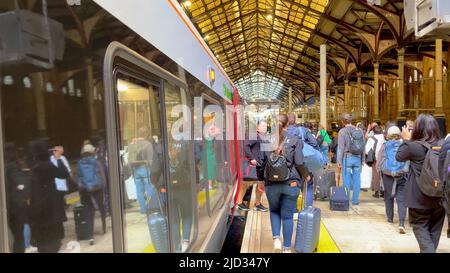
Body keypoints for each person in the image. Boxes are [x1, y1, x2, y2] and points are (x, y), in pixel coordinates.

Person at [260, 114, 311, 253]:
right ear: (287, 124)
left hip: (271, 184)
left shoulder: (267, 140)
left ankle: (276, 238)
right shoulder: (295, 140)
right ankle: (287, 248)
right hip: (291, 183)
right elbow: (300, 162)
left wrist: (261, 180)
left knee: (274, 210)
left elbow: (261, 163)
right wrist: (306, 176)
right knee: (288, 216)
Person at [396, 114, 445, 253]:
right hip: (440, 196)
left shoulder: (414, 147)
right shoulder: (442, 146)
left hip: (419, 197)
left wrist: (406, 139)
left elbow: (399, 156)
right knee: (434, 230)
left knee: (420, 227)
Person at [28, 140, 70, 253]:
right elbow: (64, 174)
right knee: (54, 243)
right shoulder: (48, 167)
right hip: (53, 211)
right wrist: (58, 158)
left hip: (40, 214)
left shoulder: (33, 168)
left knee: (43, 245)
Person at [377, 126, 407, 233]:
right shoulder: (404, 145)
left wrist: (379, 171)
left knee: (388, 196)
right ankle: (402, 223)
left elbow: (379, 159)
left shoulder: (385, 145)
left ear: (388, 135)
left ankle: (390, 218)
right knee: (401, 199)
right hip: (402, 174)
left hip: (387, 174)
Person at [76, 142, 107, 245]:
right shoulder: (96, 162)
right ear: (92, 151)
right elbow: (102, 175)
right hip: (97, 188)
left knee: (89, 213)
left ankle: (90, 237)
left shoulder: (80, 163)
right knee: (101, 208)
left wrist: (82, 188)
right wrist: (103, 186)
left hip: (85, 190)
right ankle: (104, 227)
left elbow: (79, 177)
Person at [236, 120, 269, 212]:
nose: (265, 128)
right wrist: (251, 158)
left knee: (260, 185)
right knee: (245, 184)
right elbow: (246, 146)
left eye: (266, 126)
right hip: (253, 165)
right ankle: (239, 203)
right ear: (257, 127)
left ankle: (257, 204)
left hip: (261, 165)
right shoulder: (254, 135)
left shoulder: (264, 137)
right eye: (263, 126)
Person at [5, 143, 31, 253]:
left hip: (10, 205)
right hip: (16, 205)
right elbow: (21, 185)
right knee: (19, 233)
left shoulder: (6, 166)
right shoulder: (13, 167)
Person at [337, 113, 365, 206]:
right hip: (357, 158)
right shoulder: (359, 130)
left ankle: (346, 200)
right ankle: (355, 201)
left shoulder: (342, 132)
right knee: (357, 180)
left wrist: (339, 161)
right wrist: (363, 159)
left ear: (342, 121)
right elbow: (362, 145)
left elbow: (340, 148)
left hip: (347, 157)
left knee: (346, 180)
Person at [126, 127, 155, 214]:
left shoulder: (131, 145)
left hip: (135, 169)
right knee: (149, 188)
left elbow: (129, 159)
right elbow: (151, 159)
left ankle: (143, 209)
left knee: (139, 190)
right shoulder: (148, 144)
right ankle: (150, 208)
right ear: (146, 134)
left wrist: (131, 171)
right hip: (145, 168)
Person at [365, 125, 385, 198]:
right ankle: (384, 190)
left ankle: (377, 192)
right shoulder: (385, 138)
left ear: (373, 131)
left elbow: (366, 150)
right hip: (384, 159)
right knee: (383, 174)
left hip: (375, 159)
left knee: (376, 175)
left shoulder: (371, 139)